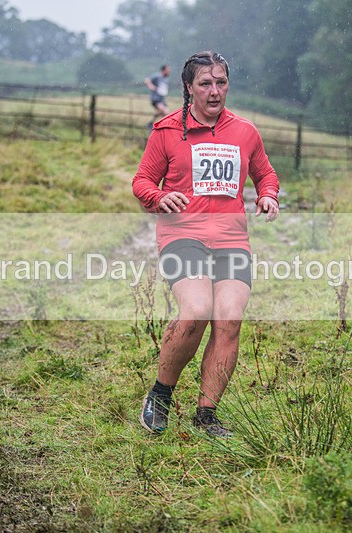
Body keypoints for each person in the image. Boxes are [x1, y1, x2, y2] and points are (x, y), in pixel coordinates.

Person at [132, 51, 280, 437]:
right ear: (189, 87)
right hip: (182, 234)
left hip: (231, 238)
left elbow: (266, 173)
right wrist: (158, 197)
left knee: (229, 319)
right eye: (205, 84)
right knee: (197, 310)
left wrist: (268, 195)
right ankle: (160, 395)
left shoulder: (245, 131)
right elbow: (142, 181)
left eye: (221, 83)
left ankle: (206, 415)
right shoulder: (167, 130)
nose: (214, 91)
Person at [144, 64, 171, 129]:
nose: (169, 72)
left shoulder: (165, 79)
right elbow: (147, 80)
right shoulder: (157, 76)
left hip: (162, 99)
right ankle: (162, 127)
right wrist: (152, 87)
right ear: (164, 70)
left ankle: (152, 124)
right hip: (156, 99)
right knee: (165, 112)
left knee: (163, 113)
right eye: (168, 71)